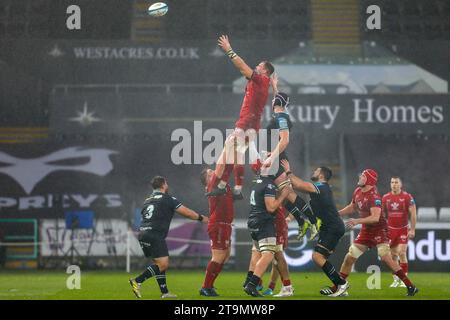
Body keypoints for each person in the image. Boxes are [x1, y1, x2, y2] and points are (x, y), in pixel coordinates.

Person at [207, 34, 275, 199]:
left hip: (248, 120)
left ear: (265, 71)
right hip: (252, 121)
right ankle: (236, 188)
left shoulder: (261, 80)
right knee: (236, 153)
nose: (256, 67)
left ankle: (225, 185)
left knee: (230, 147)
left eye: (259, 66)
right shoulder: (260, 82)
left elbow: (242, 67)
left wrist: (229, 50)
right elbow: (246, 72)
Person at [332, 169, 418, 297]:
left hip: (379, 230)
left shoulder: (374, 196)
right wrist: (336, 214)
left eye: (363, 176)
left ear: (369, 180)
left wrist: (357, 221)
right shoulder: (358, 191)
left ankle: (410, 286)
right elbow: (352, 207)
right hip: (366, 231)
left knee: (385, 257)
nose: (360, 177)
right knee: (349, 257)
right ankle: (338, 287)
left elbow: (375, 218)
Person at [129, 176, 208, 299]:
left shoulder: (147, 200)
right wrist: (201, 218)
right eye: (166, 183)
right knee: (163, 264)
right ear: (163, 185)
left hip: (143, 234)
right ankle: (137, 281)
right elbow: (186, 212)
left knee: (159, 263)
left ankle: (165, 292)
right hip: (155, 234)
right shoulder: (168, 199)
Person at [258, 86, 319, 240]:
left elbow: (285, 141)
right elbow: (279, 99)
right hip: (273, 158)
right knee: (281, 194)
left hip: (276, 159)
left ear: (277, 102)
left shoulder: (282, 118)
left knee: (288, 193)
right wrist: (273, 85)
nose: (272, 100)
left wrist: (272, 157)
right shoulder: (279, 114)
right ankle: (302, 222)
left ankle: (313, 221)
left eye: (274, 99)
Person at [281, 160, 348, 297]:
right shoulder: (319, 191)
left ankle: (341, 284)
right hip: (329, 227)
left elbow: (298, 184)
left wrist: (288, 171)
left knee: (317, 257)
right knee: (320, 257)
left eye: (316, 171)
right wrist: (292, 217)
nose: (313, 172)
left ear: (321, 176)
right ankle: (338, 287)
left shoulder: (321, 187)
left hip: (332, 227)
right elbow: (299, 199)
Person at [243, 167, 291, 297]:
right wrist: (283, 195)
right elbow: (271, 207)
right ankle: (252, 284)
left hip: (253, 221)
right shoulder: (269, 185)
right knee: (269, 254)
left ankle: (250, 280)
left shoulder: (256, 182)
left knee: (259, 252)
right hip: (264, 222)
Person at [199, 151, 235, 296]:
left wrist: (235, 152)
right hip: (218, 223)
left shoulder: (221, 184)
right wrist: (228, 147)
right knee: (218, 257)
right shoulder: (212, 185)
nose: (212, 173)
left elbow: (228, 168)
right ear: (207, 181)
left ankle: (209, 285)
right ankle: (205, 287)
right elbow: (221, 166)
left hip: (225, 224)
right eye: (209, 174)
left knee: (225, 257)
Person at [382, 176, 417, 288]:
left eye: (396, 182)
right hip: (391, 230)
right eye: (392, 182)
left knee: (402, 252)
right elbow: (381, 214)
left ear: (400, 184)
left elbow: (413, 213)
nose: (394, 184)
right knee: (393, 256)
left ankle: (404, 280)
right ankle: (396, 279)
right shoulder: (386, 197)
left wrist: (412, 229)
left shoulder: (407, 197)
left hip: (403, 229)